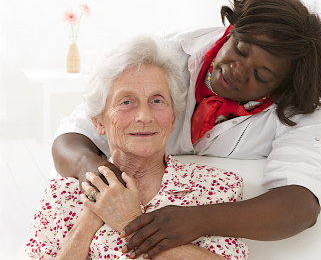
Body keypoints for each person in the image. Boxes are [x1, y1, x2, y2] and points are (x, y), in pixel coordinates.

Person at [51, 0, 321, 258]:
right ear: (231, 30)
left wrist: (198, 220)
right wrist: (96, 176)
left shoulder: (297, 109)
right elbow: (73, 135)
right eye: (240, 50)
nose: (237, 71)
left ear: (283, 86)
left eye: (262, 75)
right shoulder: (165, 56)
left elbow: (301, 207)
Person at [25, 35, 249, 260]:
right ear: (98, 122)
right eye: (126, 102)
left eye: (157, 100)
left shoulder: (217, 188)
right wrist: (88, 220)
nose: (144, 116)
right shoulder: (61, 195)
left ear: (173, 118)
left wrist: (129, 220)